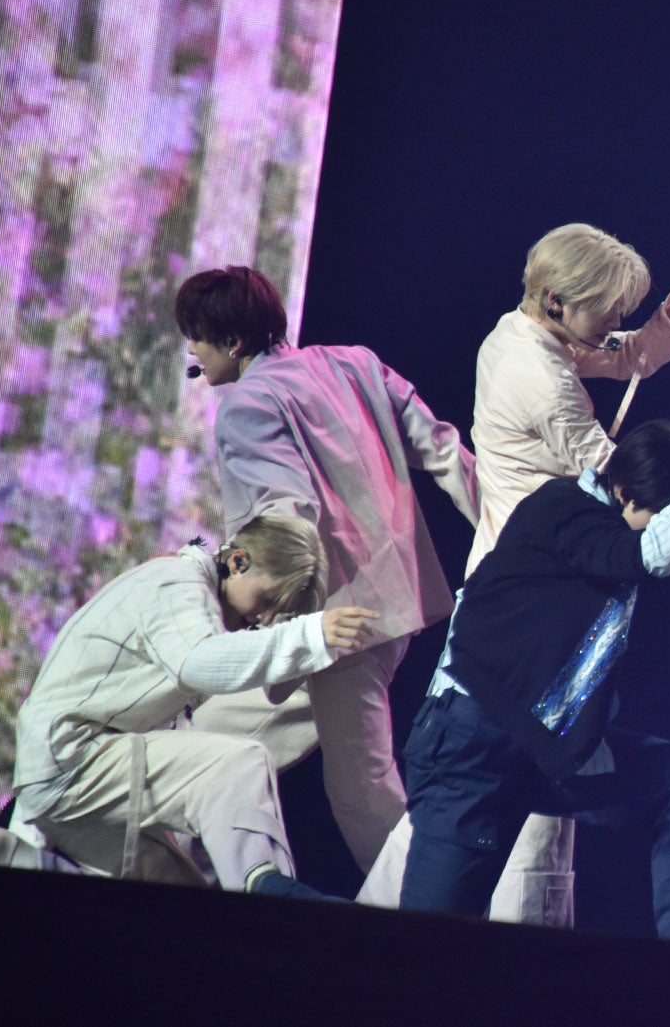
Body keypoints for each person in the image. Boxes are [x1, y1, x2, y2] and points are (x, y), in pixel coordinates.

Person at [358, 225, 670, 922]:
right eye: (610, 308)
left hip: (542, 597)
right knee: (511, 827)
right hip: (530, 606)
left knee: (487, 814)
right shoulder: (537, 375)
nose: (617, 321)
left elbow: (623, 356)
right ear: (559, 300)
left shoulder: (531, 334)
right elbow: (623, 483)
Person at [399, 416, 670, 945]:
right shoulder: (564, 507)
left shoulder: (610, 509)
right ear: (622, 494)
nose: (664, 530)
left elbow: (655, 516)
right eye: (657, 516)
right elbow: (647, 556)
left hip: (543, 749)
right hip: (471, 748)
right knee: (423, 947)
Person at [174, 265, 477, 876]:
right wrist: (507, 535)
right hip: (392, 605)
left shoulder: (246, 406)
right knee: (209, 743)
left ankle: (425, 908)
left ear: (233, 341)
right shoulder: (354, 364)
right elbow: (443, 449)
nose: (193, 352)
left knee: (360, 787)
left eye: (198, 338)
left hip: (334, 621)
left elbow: (287, 517)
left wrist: (221, 578)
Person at [8, 516, 381, 895]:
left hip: (64, 773)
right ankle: (266, 891)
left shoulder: (185, 588)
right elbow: (197, 662)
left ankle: (7, 857)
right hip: (74, 758)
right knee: (239, 763)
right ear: (238, 561)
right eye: (267, 601)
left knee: (182, 899)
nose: (265, 619)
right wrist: (310, 635)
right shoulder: (176, 582)